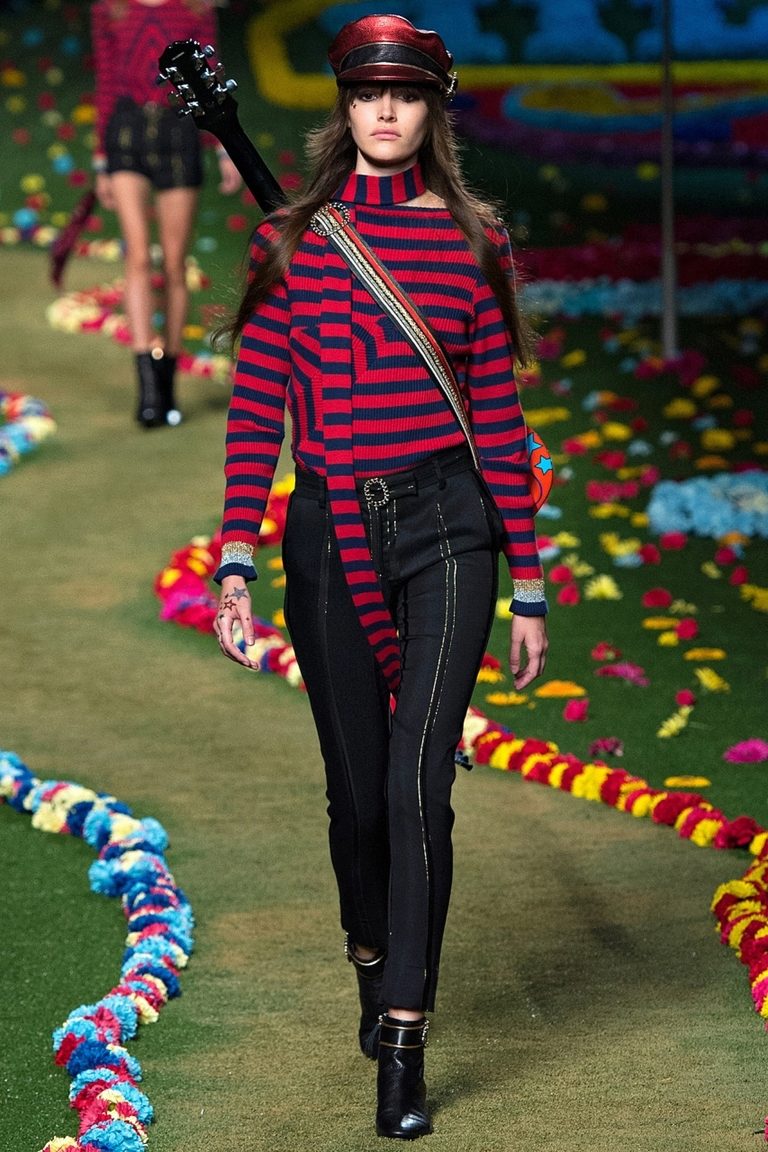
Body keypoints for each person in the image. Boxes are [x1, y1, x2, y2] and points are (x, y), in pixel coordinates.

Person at [213, 13, 548, 1140]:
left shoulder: (475, 239)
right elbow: (257, 410)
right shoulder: (290, 241)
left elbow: (498, 422)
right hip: (325, 535)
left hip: (450, 530)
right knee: (357, 797)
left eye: (405, 94)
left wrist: (530, 585)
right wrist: (236, 561)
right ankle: (372, 952)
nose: (387, 111)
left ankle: (404, 1037)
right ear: (346, 107)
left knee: (417, 789)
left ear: (432, 108)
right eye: (368, 94)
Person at [90, 0, 241, 428]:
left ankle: (167, 381)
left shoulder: (195, 8)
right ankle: (149, 393)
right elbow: (107, 80)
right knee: (138, 257)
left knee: (174, 265)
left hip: (180, 134)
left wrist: (224, 149)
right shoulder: (111, 8)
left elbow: (208, 83)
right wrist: (101, 159)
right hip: (127, 132)